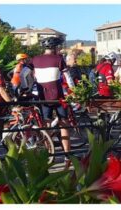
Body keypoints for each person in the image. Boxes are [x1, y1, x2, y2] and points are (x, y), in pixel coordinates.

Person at [30, 37, 73, 166]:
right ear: (54, 48)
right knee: (64, 125)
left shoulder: (35, 59)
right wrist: (73, 91)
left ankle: (49, 155)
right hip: (58, 97)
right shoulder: (59, 59)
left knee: (47, 125)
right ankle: (67, 156)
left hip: (43, 96)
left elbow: (27, 73)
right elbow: (68, 77)